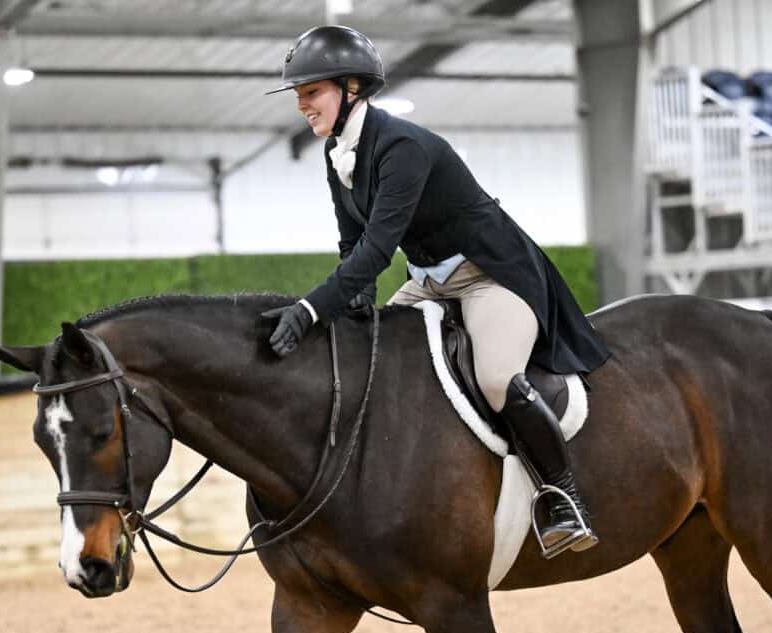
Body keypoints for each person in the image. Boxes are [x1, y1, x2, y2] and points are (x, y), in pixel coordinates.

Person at [261, 26, 611, 559]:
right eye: (300, 96)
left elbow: (377, 251)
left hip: (493, 275)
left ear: (351, 86)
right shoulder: (340, 154)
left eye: (311, 92)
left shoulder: (402, 147)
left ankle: (563, 497)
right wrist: (353, 305)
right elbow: (351, 243)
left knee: (497, 378)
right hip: (429, 282)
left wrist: (311, 310)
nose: (303, 105)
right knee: (371, 364)